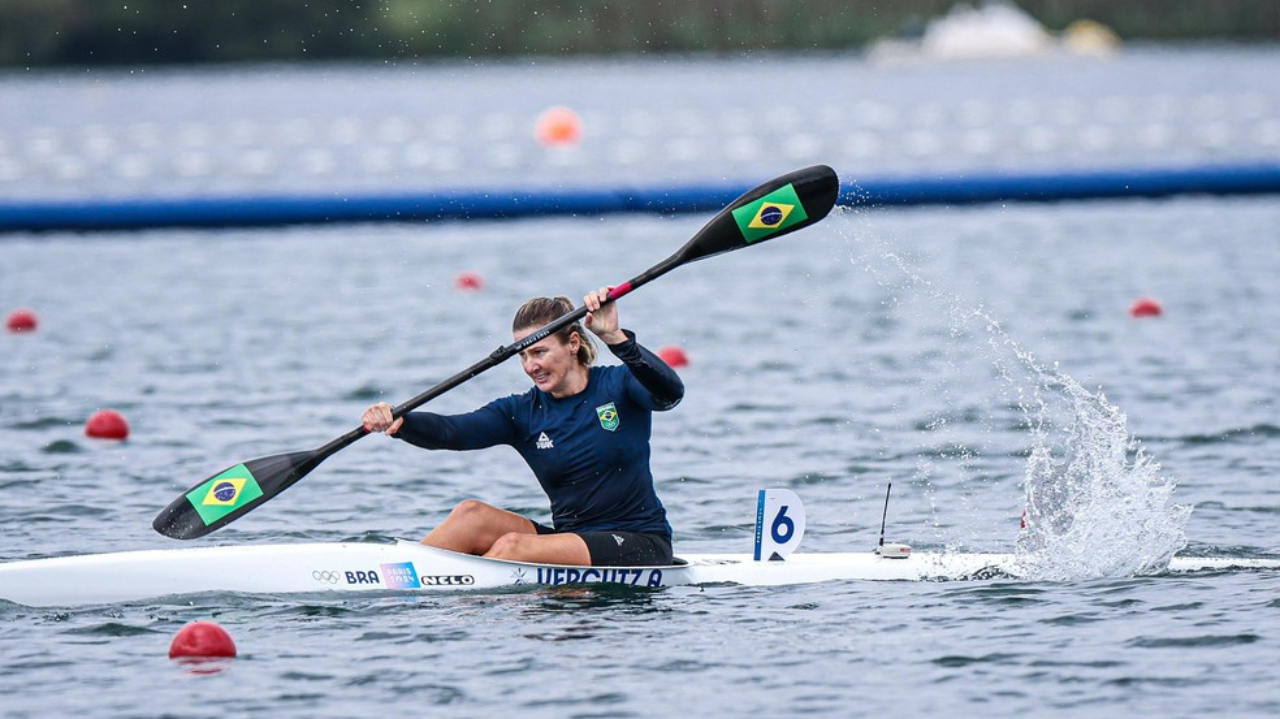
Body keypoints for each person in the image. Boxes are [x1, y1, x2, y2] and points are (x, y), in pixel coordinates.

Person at [362, 287, 684, 567]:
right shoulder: (521, 412)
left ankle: (453, 594)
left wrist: (615, 338)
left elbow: (670, 393)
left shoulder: (620, 385)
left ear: (573, 343)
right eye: (524, 355)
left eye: (540, 352)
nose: (531, 366)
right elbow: (453, 432)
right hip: (571, 540)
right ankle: (400, 577)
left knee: (513, 546)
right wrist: (401, 421)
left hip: (639, 542)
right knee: (470, 514)